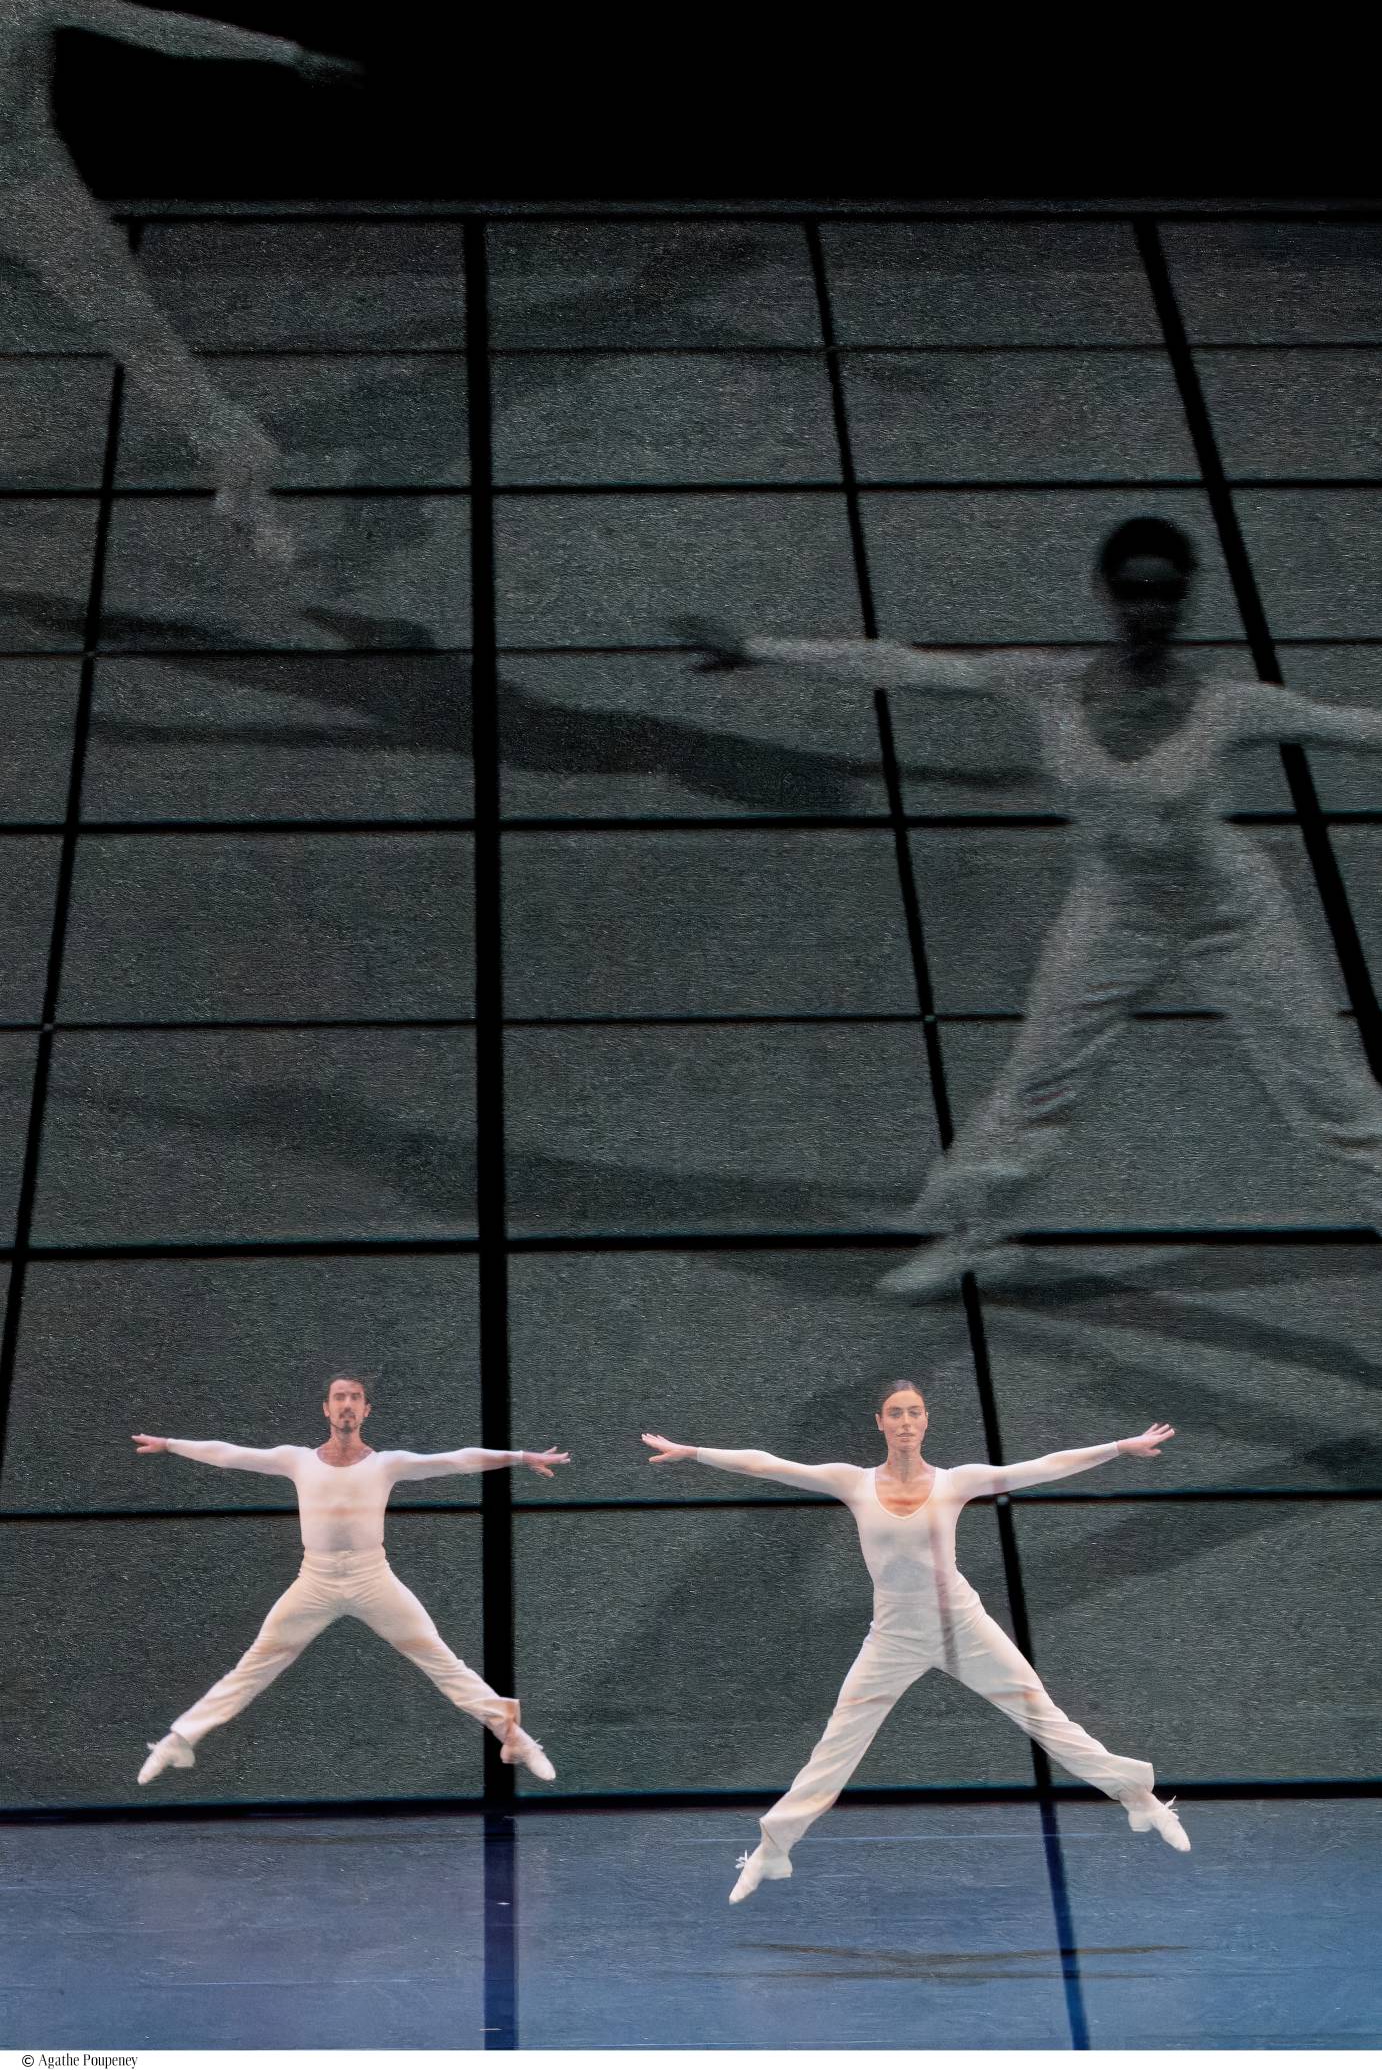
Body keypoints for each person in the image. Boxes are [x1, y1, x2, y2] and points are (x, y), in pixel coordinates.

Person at [677, 517, 1382, 1295]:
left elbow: (1358, 729)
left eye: (1166, 593)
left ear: (1185, 600)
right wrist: (757, 646)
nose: (1150, 608)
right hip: (1116, 910)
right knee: (1039, 1076)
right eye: (1134, 591)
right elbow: (905, 667)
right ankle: (976, 1234)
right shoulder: (1048, 680)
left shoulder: (1232, 706)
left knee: (1328, 1083)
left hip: (1233, 912)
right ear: (1106, 594)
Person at [643, 1379, 1186, 1902]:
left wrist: (1120, 1447)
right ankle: (771, 1851)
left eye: (915, 1412)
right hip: (893, 1637)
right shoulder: (852, 1482)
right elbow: (768, 1464)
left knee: (1045, 1716)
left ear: (926, 1421)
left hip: (963, 1627)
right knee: (836, 1747)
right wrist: (691, 1452)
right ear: (879, 1423)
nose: (906, 1421)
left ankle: (1140, 1797)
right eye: (896, 1413)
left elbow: (1040, 1468)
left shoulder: (955, 1481)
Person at [0, 0, 362, 563]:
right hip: (33, 193)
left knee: (143, 338)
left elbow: (160, 27)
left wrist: (283, 53)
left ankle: (243, 474)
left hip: (35, 196)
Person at [132, 1374, 566, 1784]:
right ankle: (179, 1740)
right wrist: (170, 1444)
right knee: (255, 1664)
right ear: (326, 1408)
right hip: (315, 1580)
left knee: (441, 1660)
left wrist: (521, 1457)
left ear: (366, 1411)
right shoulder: (296, 1460)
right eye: (339, 1397)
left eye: (354, 1398)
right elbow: (230, 1454)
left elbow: (455, 1461)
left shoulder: (386, 1464)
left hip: (371, 1578)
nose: (346, 1405)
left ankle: (515, 1739)